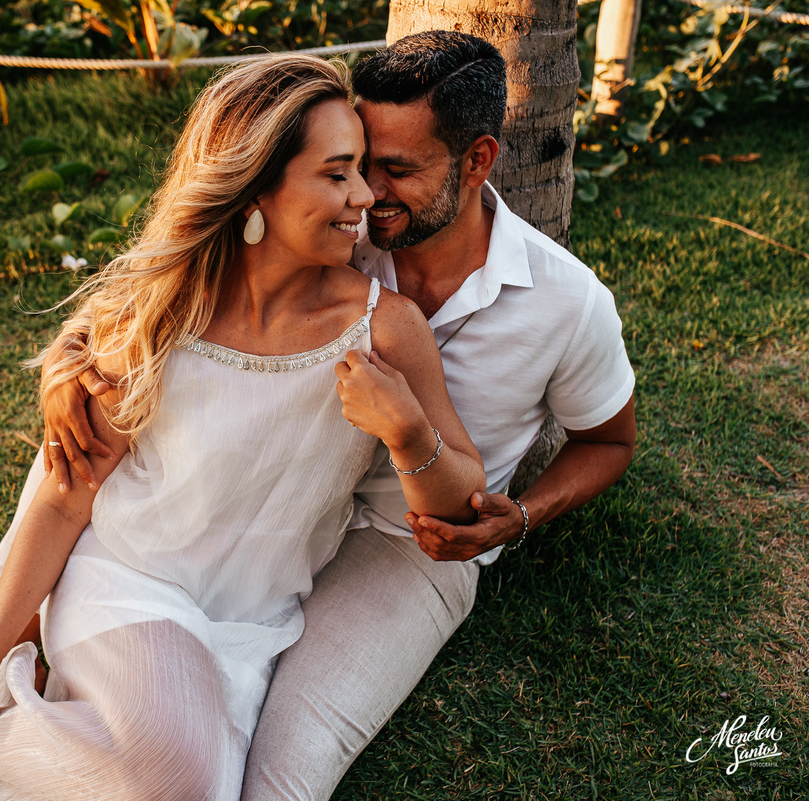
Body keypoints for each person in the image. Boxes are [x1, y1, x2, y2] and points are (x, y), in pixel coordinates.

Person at [0, 54, 485, 801]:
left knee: (187, 786)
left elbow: (461, 498)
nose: (365, 197)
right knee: (174, 781)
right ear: (256, 191)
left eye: (363, 170)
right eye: (336, 174)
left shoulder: (386, 329)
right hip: (126, 586)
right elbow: (64, 498)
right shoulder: (165, 318)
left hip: (250, 628)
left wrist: (407, 433)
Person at [40, 31, 637, 801]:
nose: (368, 191)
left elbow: (609, 439)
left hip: (402, 548)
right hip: (270, 515)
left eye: (396, 169)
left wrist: (518, 516)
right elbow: (184, 278)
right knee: (180, 746)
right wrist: (75, 346)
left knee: (279, 781)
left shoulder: (567, 301)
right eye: (356, 161)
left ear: (478, 160)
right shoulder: (334, 234)